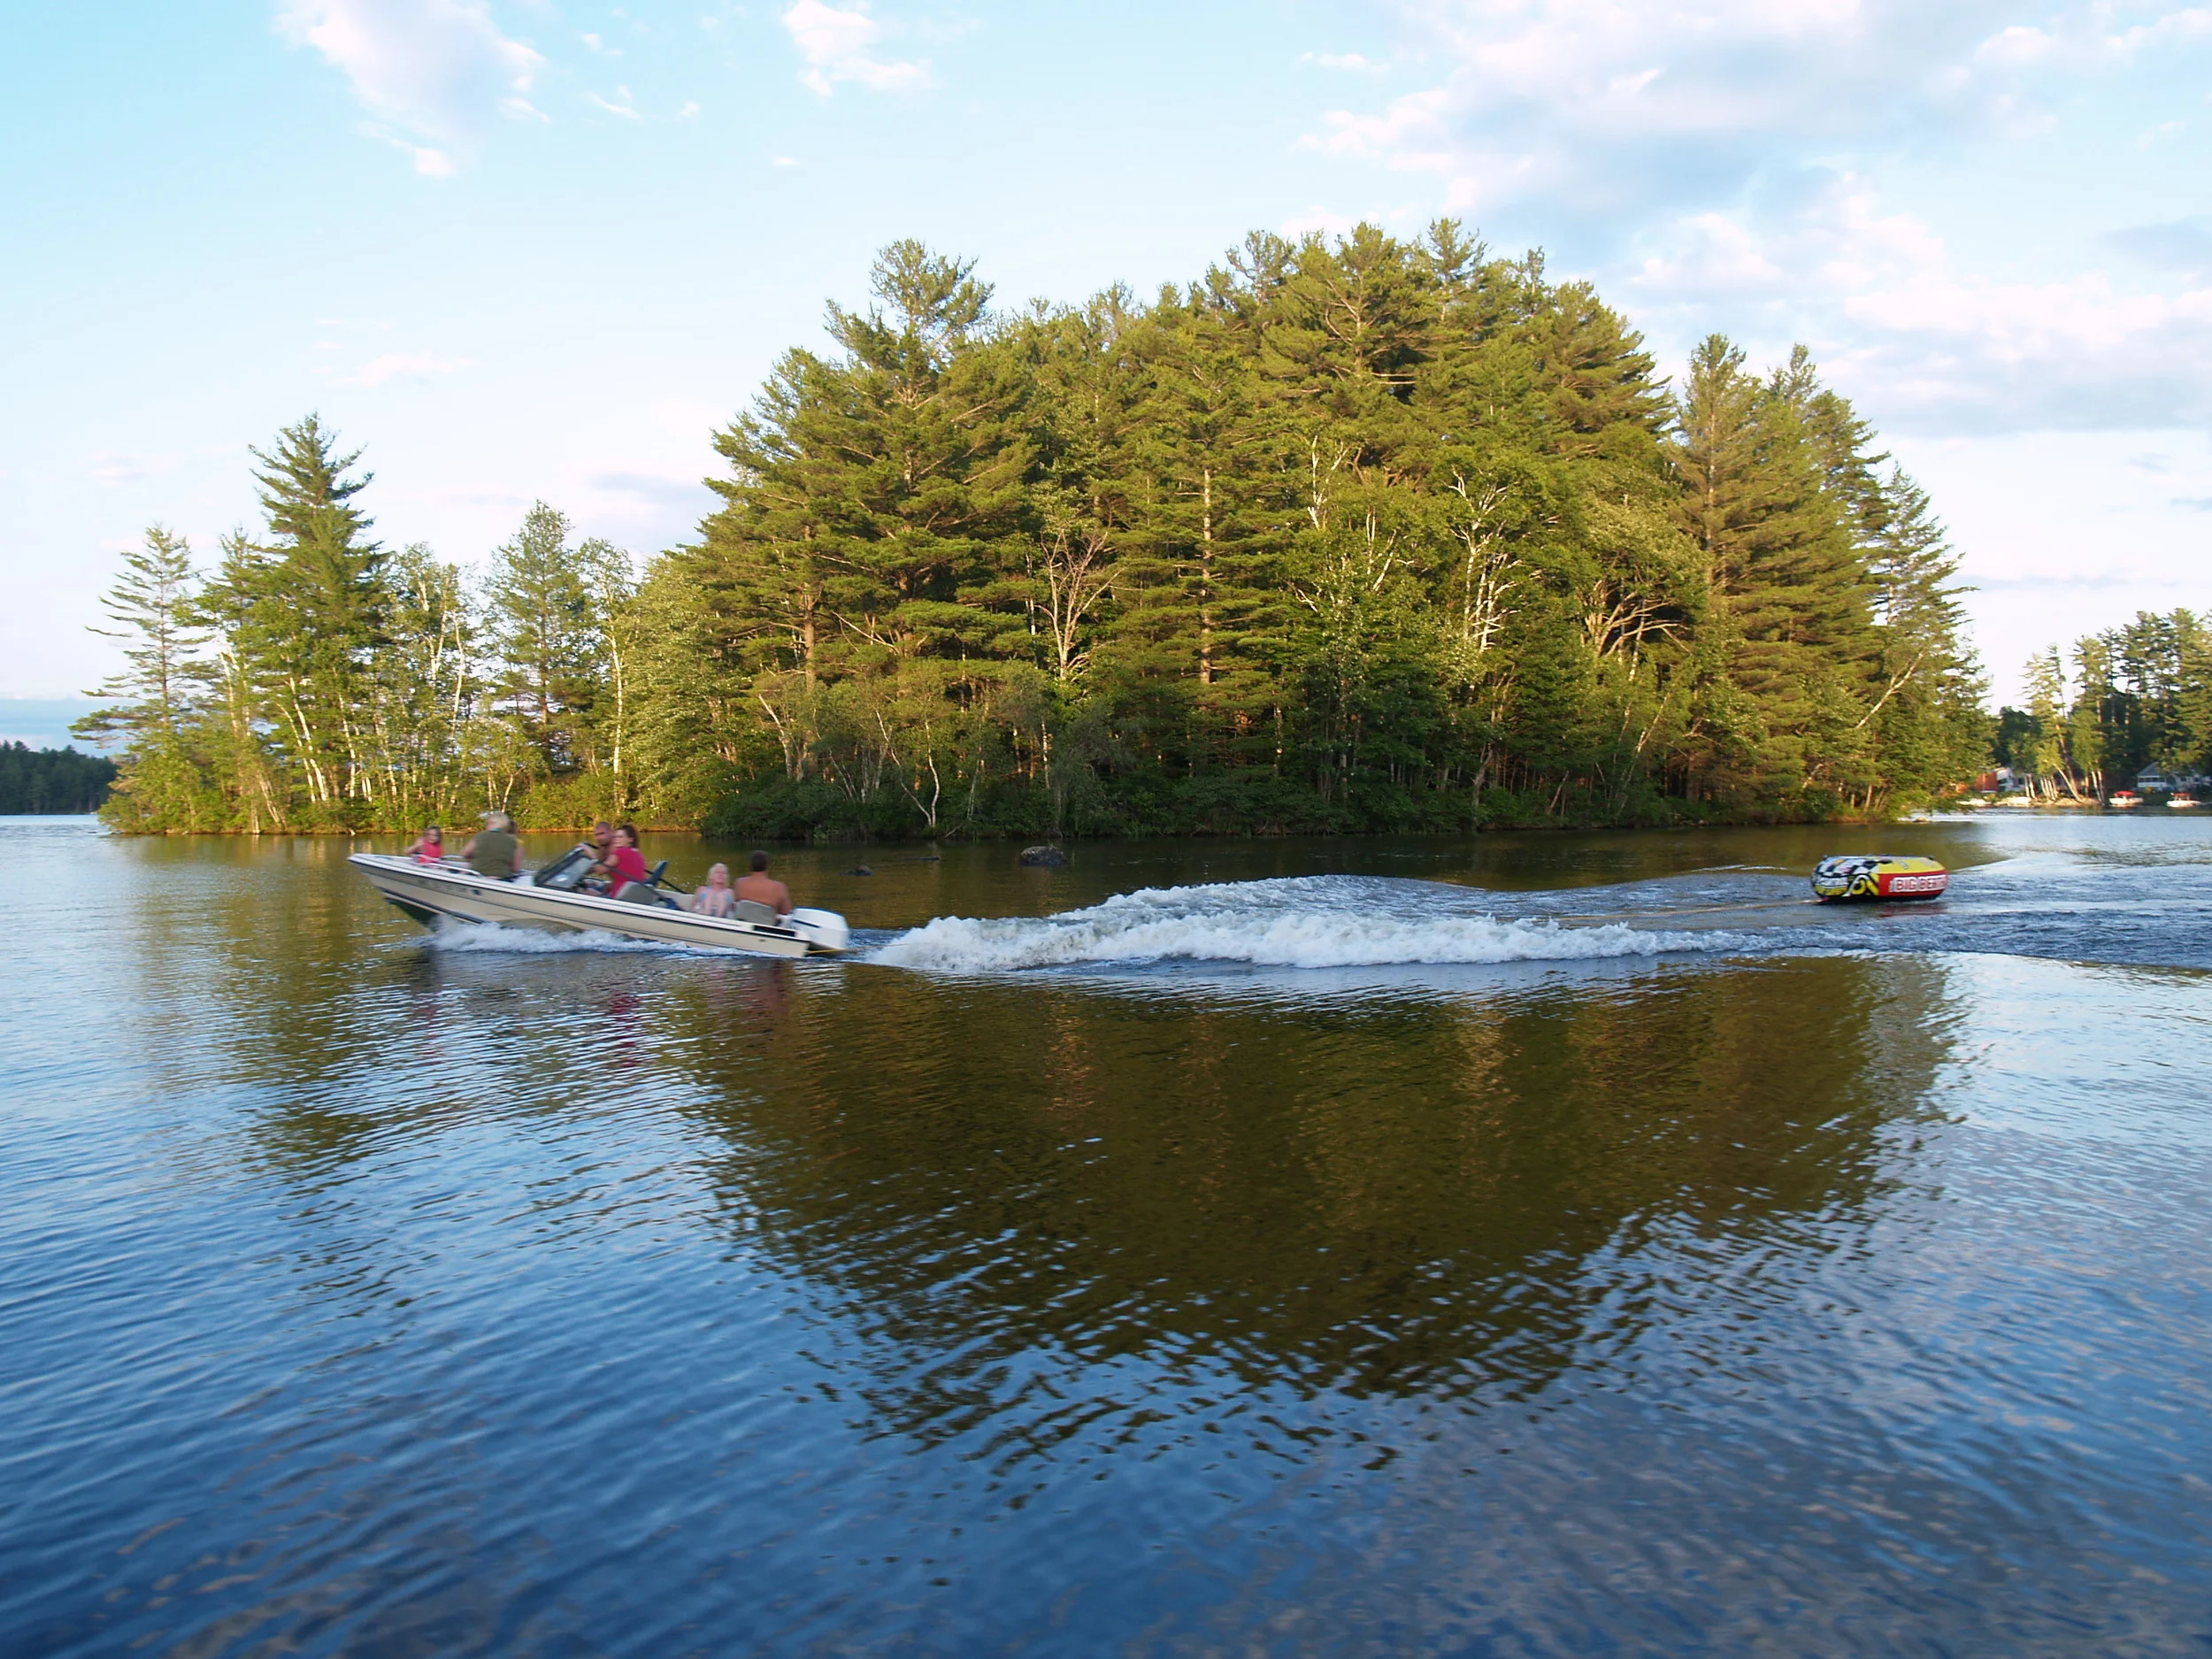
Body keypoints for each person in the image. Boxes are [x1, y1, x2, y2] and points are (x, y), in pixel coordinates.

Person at [461, 810, 523, 879]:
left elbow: (465, 854)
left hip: (478, 876)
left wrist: (471, 859)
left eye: (488, 823)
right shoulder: (515, 842)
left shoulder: (481, 836)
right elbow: (516, 869)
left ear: (491, 823)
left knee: (467, 867)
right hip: (502, 878)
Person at [733, 849, 793, 916]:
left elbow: (736, 906)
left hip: (745, 921)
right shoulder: (779, 887)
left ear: (750, 865)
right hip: (768, 923)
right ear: (767, 866)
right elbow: (785, 912)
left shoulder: (740, 883)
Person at [605, 823, 651, 896]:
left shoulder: (620, 852)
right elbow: (621, 879)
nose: (616, 839)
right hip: (632, 895)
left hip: (618, 898)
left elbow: (600, 869)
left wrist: (589, 852)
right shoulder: (638, 854)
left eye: (620, 837)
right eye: (615, 837)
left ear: (631, 839)